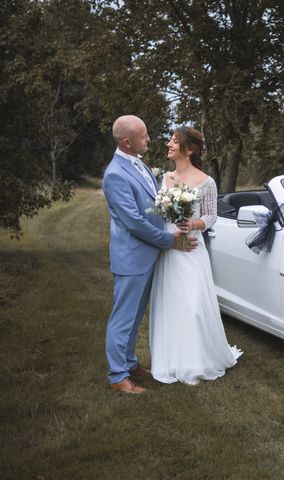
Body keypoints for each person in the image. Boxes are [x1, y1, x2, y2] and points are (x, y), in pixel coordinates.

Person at [103, 115, 196, 395]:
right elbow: (133, 221)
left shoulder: (138, 163)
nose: (149, 139)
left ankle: (130, 363)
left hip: (146, 255)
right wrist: (166, 239)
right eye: (143, 136)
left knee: (135, 316)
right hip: (132, 257)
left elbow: (150, 206)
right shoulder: (115, 174)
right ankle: (118, 375)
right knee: (123, 318)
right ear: (126, 142)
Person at [149, 126, 242, 385]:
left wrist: (193, 225)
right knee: (171, 302)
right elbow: (158, 211)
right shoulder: (165, 177)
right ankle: (172, 360)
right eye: (170, 139)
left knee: (192, 304)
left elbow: (211, 216)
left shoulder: (206, 181)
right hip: (169, 246)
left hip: (191, 245)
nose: (168, 143)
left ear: (188, 150)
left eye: (174, 141)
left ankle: (197, 361)